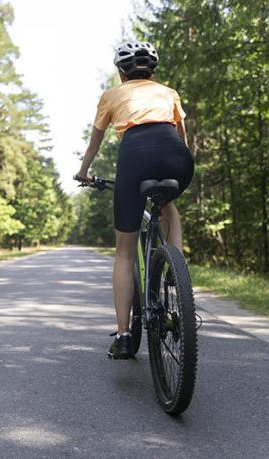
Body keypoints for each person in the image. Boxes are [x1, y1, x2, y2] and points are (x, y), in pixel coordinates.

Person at [75, 41, 194, 360]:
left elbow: (93, 145)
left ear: (121, 72)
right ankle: (177, 274)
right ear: (152, 70)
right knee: (168, 206)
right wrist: (177, 164)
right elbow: (181, 135)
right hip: (176, 158)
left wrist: (83, 172)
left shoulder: (111, 95)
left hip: (135, 158)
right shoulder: (168, 92)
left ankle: (125, 336)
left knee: (125, 252)